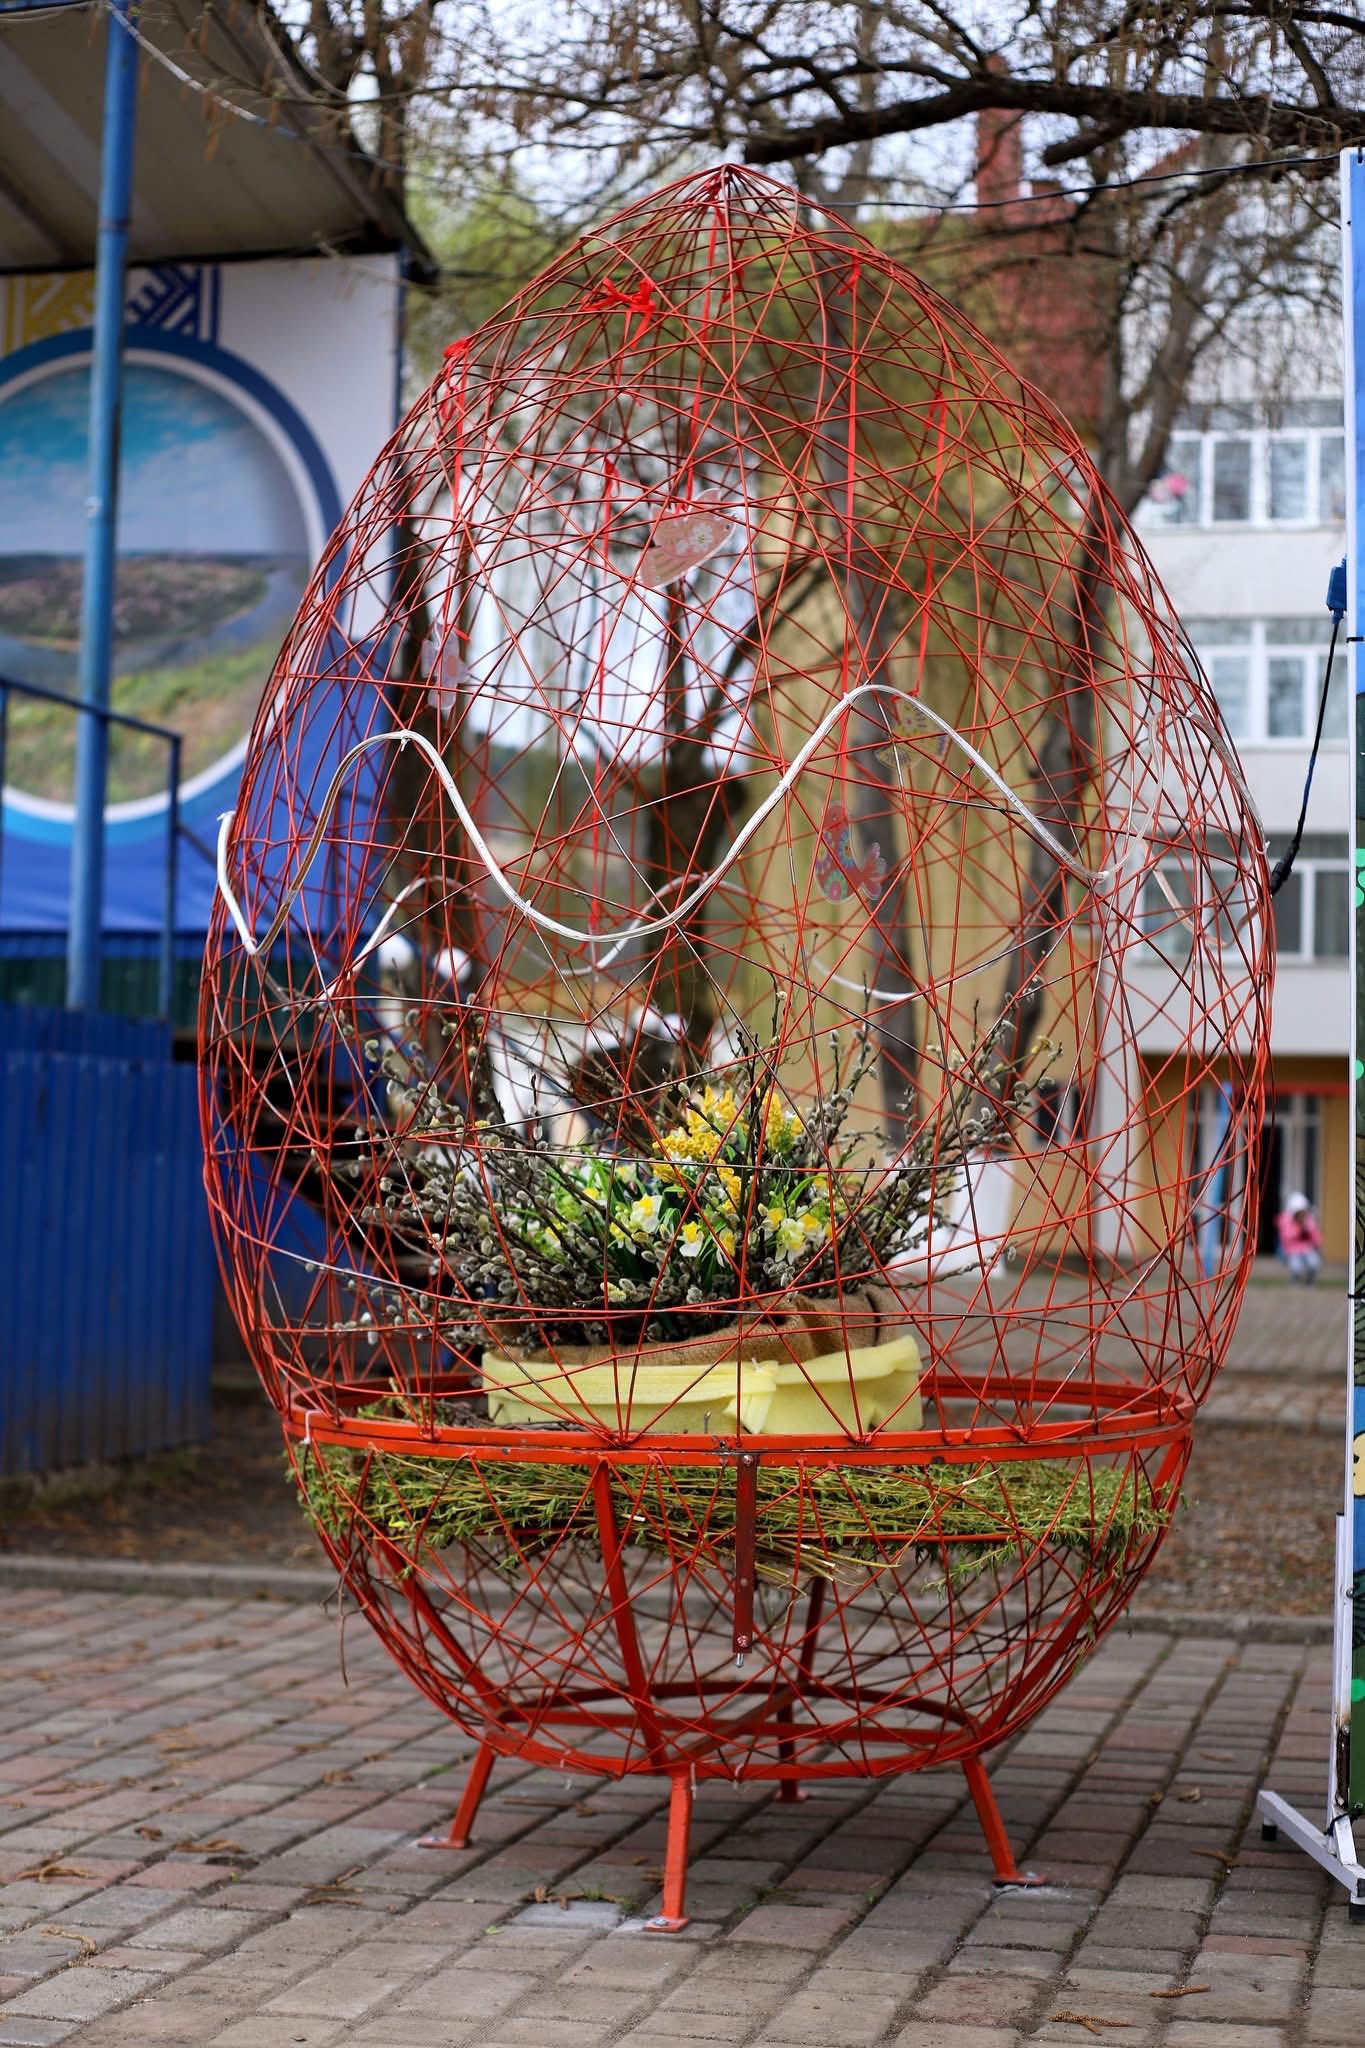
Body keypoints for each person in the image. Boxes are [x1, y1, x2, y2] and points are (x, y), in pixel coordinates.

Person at [1276, 1190, 1323, 1284]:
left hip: (1307, 1249)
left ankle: (1310, 1281)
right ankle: (1294, 1282)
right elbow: (1286, 1237)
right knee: (1296, 1267)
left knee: (1314, 1263)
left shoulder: (1308, 1220)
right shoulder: (1286, 1220)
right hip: (1292, 1251)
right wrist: (1299, 1229)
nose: (1302, 1215)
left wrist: (1309, 1231)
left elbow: (1317, 1239)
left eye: (1303, 1212)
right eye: (1299, 1212)